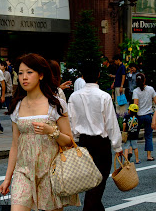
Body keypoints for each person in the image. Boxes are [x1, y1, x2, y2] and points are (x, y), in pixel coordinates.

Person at [0, 53, 80, 211]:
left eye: (29, 72)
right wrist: (8, 178)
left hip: (51, 172)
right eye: (20, 73)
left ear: (41, 75)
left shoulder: (56, 104)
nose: (24, 78)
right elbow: (15, 145)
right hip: (23, 171)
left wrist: (52, 131)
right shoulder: (17, 105)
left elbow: (70, 141)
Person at [68, 59, 122, 211]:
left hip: (83, 142)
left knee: (90, 182)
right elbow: (111, 123)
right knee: (99, 182)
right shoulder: (104, 96)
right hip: (101, 143)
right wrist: (117, 147)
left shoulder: (74, 97)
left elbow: (71, 122)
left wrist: (71, 142)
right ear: (98, 75)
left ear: (82, 77)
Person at [133, 73, 156, 161]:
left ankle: (133, 154)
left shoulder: (136, 91)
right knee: (148, 136)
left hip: (139, 116)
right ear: (145, 80)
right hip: (148, 115)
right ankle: (149, 156)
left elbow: (135, 105)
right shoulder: (151, 89)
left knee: (134, 135)